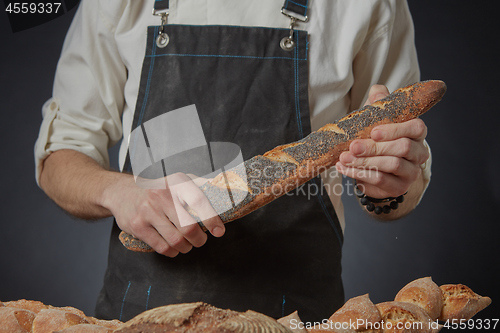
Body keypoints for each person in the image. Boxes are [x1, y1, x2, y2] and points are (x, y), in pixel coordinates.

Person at [34, 0, 431, 323]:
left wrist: (389, 183)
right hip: (145, 314)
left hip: (296, 315)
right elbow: (60, 154)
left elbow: (405, 176)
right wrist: (117, 191)